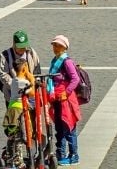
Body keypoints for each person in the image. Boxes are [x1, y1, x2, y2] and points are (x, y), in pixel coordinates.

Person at [48, 35, 83, 165]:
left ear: (64, 47)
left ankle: (74, 156)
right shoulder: (55, 60)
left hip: (66, 101)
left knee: (69, 128)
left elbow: (75, 79)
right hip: (57, 100)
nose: (55, 47)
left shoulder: (66, 62)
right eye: (54, 45)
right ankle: (60, 154)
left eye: (57, 45)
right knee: (59, 128)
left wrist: (66, 92)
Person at [2, 54, 35, 165]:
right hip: (20, 110)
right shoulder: (24, 82)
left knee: (12, 134)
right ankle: (18, 160)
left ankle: (9, 155)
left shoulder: (14, 80)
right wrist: (32, 79)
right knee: (20, 135)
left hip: (11, 109)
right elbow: (32, 93)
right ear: (25, 68)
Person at [0, 29, 43, 105]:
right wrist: (18, 86)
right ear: (14, 44)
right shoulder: (5, 55)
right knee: (15, 115)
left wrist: (33, 83)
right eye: (20, 47)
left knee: (32, 115)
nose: (22, 49)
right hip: (12, 95)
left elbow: (37, 70)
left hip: (31, 93)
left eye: (24, 46)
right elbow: (3, 75)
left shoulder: (31, 52)